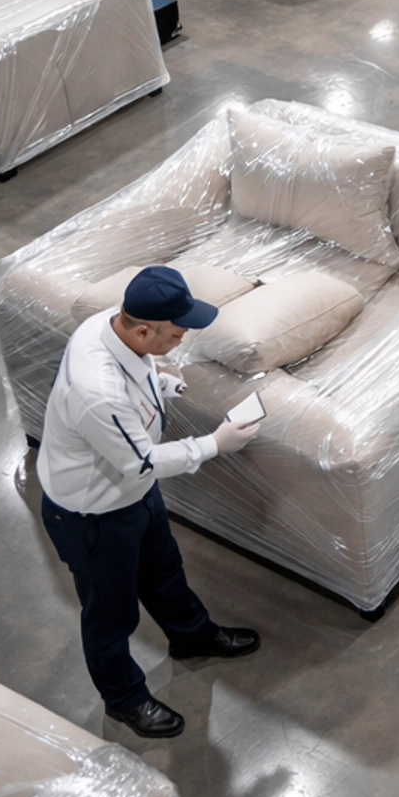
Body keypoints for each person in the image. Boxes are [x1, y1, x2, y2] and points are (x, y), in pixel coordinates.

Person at [38, 266, 263, 738]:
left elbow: (135, 375)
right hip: (93, 513)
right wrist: (214, 444)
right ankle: (124, 699)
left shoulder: (116, 325)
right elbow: (139, 462)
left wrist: (161, 384)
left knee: (165, 572)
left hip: (133, 496)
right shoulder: (97, 389)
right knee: (110, 614)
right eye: (177, 334)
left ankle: (192, 635)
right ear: (144, 328)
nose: (181, 341)